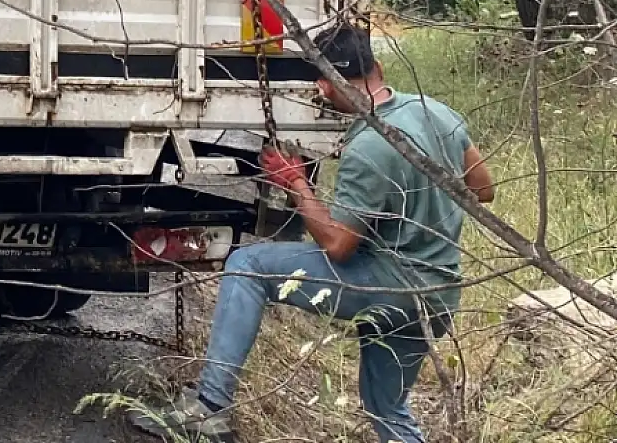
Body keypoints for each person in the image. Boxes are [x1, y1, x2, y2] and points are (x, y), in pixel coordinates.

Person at [129, 23, 496, 443]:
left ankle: (209, 408)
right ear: (377, 66)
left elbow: (339, 245)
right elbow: (483, 189)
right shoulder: (437, 112)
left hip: (386, 288)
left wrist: (297, 184)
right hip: (439, 295)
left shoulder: (368, 147)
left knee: (248, 266)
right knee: (387, 408)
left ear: (323, 86)